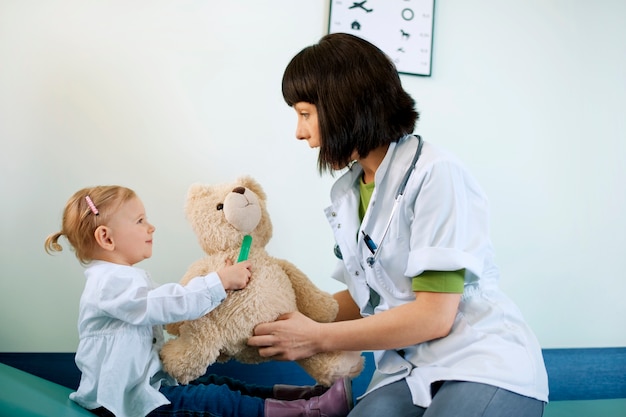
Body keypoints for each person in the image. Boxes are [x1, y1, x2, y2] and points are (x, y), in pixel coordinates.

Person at [248, 33, 549, 417]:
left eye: (305, 113)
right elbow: (367, 299)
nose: (300, 131)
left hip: (480, 360)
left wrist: (316, 338)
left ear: (345, 106)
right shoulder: (347, 193)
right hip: (404, 370)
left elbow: (434, 316)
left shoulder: (435, 174)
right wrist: (273, 309)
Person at [45, 185, 352, 417]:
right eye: (140, 221)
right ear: (107, 238)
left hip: (146, 388)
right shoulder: (108, 284)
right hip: (125, 404)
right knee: (214, 399)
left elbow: (164, 304)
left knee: (218, 383)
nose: (150, 227)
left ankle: (298, 397)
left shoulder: (119, 279)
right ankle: (309, 411)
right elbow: (164, 305)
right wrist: (219, 282)